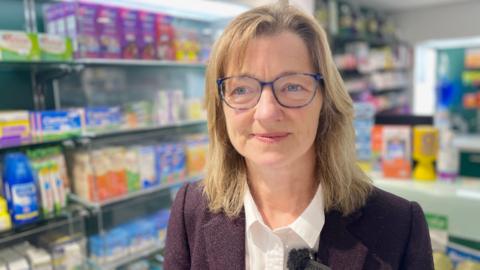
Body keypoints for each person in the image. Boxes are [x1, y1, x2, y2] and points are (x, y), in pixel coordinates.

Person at [164, 2, 434, 270]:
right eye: (242, 89)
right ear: (220, 107)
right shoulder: (192, 209)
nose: (267, 113)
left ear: (325, 101)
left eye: (292, 86)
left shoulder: (399, 225)